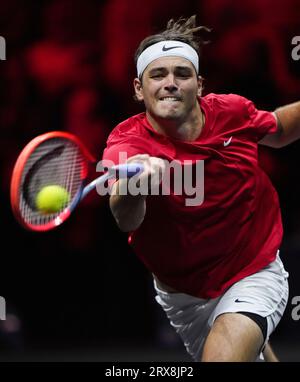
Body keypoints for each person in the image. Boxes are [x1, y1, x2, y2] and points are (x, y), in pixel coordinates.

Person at [102, 15, 299, 362]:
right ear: (138, 88)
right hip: (185, 296)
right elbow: (126, 218)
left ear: (199, 84)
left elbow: (280, 130)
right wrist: (136, 184)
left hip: (253, 268)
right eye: (158, 75)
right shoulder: (127, 143)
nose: (170, 83)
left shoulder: (232, 113)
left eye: (182, 74)